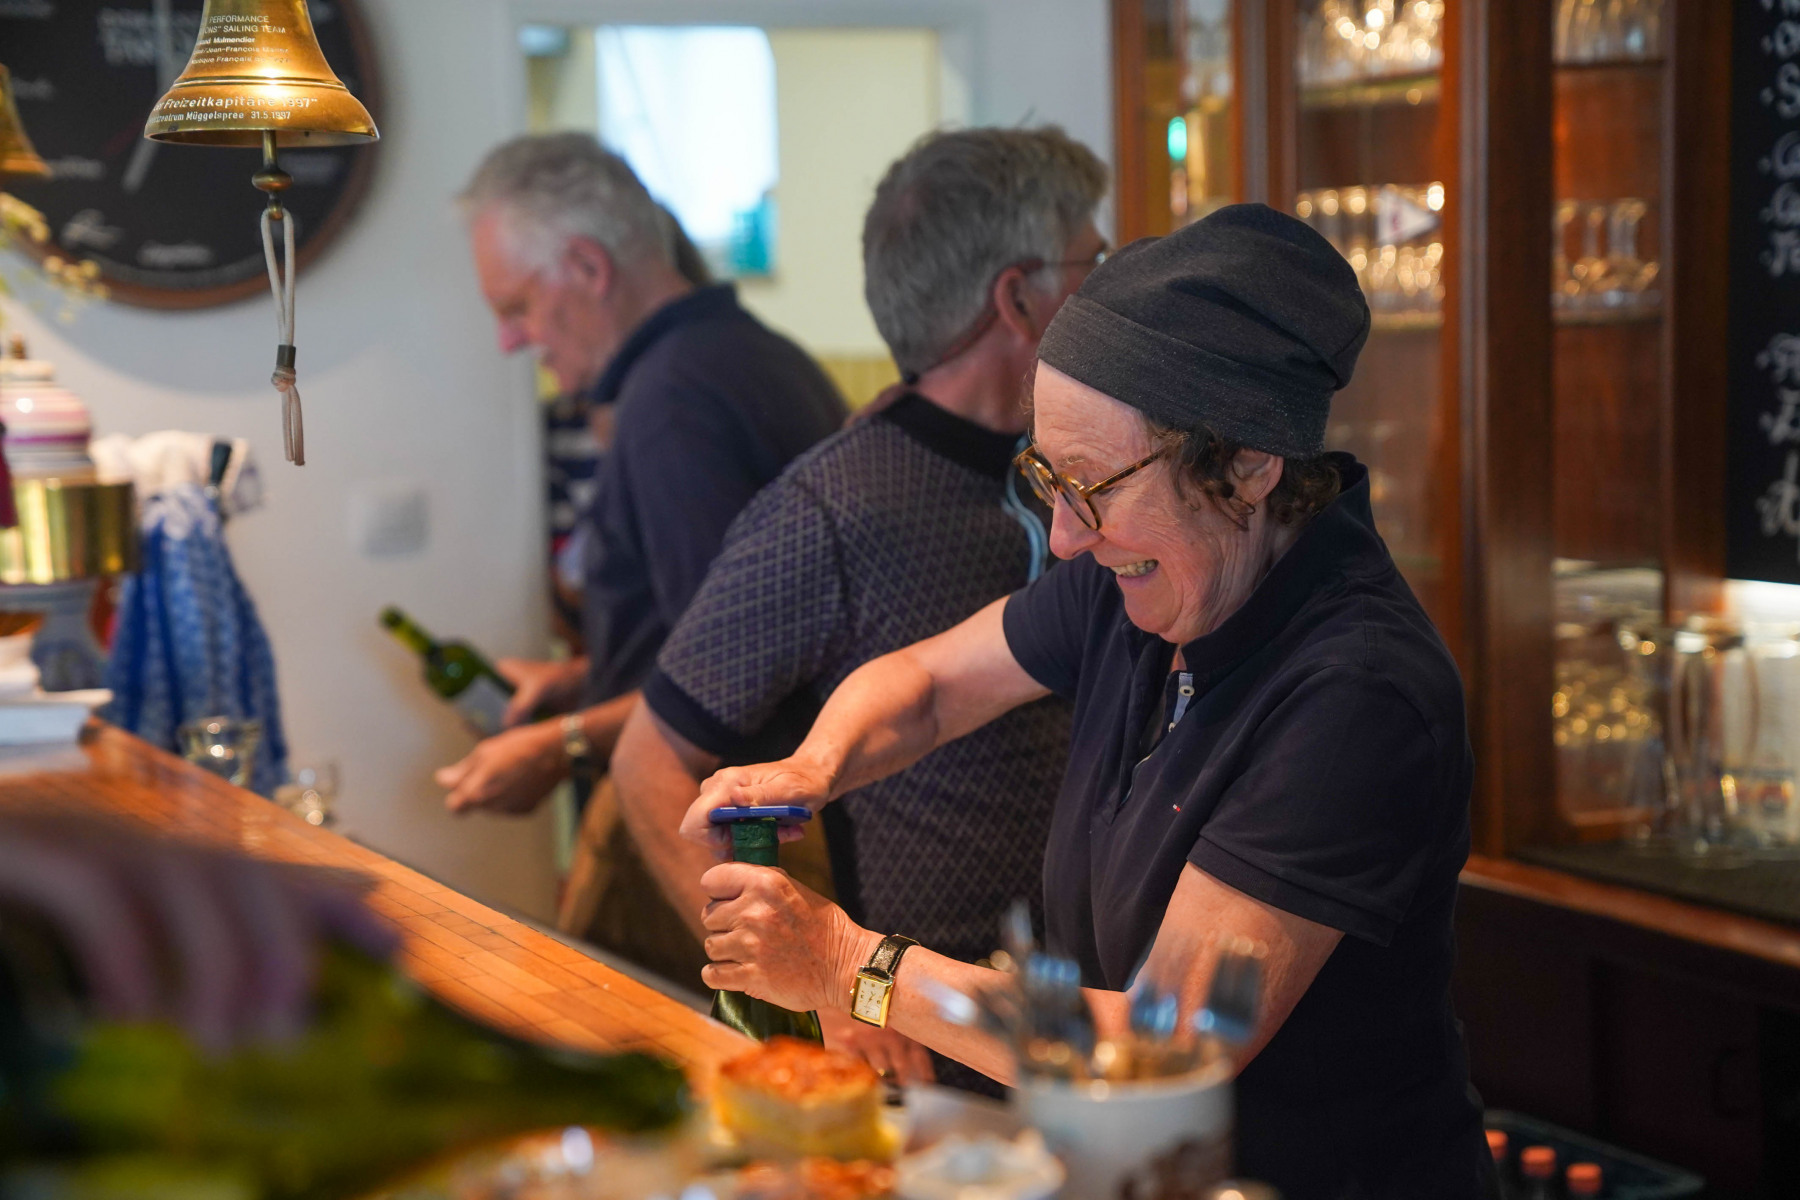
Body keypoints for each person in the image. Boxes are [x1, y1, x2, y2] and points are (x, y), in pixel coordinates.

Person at [679, 205, 1493, 1197]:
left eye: (1094, 486)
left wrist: (849, 963)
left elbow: (1169, 1042)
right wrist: (813, 769)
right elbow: (927, 688)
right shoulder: (1149, 579)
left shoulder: (1356, 695)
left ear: (1247, 466)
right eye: (1048, 478)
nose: (1065, 536)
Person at [610, 128, 1107, 1094]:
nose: (1110, 290)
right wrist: (824, 993)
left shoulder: (1096, 470)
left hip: (1113, 1011)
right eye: (1094, 262)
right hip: (943, 1046)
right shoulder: (829, 510)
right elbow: (647, 762)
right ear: (1018, 299)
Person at [442, 134, 846, 984]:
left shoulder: (670, 402)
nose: (512, 341)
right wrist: (580, 680)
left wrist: (560, 744)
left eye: (518, 307)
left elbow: (734, 677)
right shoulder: (754, 354)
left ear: (587, 267)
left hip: (716, 822)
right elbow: (723, 625)